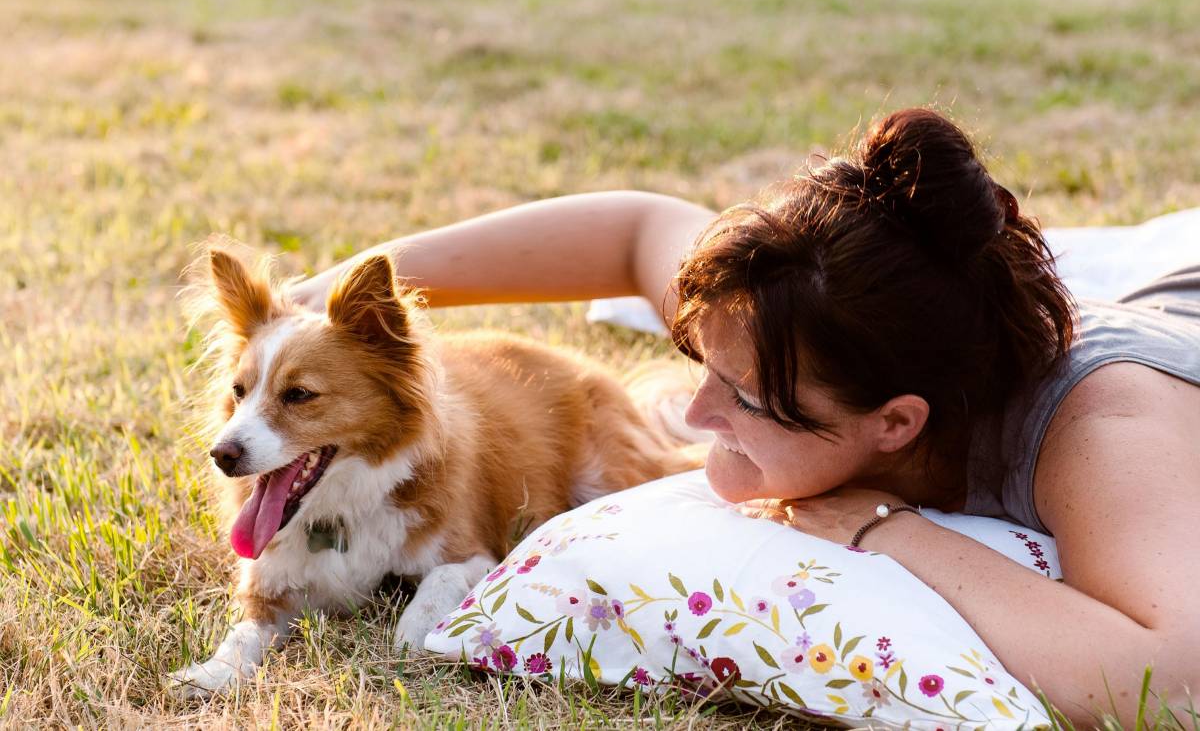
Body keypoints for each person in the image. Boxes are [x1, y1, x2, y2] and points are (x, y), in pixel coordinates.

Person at [290, 108, 1200, 725]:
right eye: (701, 364)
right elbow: (631, 228)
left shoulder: (1104, 428)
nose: (692, 410)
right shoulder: (795, 317)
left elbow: (1167, 683)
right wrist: (316, 297)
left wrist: (889, 530)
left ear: (896, 423)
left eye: (745, 401)